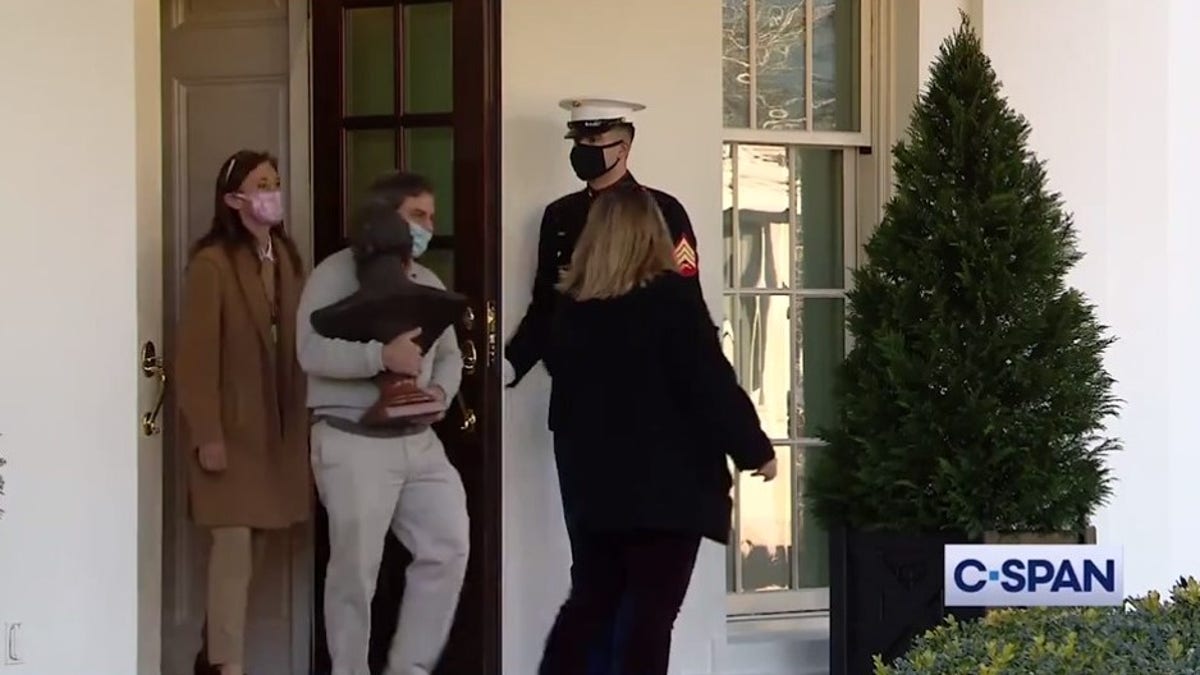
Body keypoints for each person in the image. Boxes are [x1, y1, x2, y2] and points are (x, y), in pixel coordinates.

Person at [538, 187, 777, 675]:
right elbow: (710, 383)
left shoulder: (571, 312)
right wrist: (755, 450)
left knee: (590, 605)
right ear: (651, 235)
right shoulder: (673, 302)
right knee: (648, 618)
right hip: (666, 493)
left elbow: (565, 404)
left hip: (593, 492)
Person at [505, 97, 705, 673]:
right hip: (580, 422)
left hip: (650, 429)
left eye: (599, 143)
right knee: (592, 578)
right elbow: (546, 309)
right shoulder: (560, 216)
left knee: (645, 587)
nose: (586, 153)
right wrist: (508, 370)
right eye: (580, 143)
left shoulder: (663, 212)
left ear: (626, 145)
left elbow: (684, 315)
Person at [297, 171, 468, 675]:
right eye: (418, 215)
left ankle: (409, 669)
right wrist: (380, 357)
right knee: (355, 574)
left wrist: (440, 393)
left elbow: (451, 354)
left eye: (432, 218)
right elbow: (310, 350)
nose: (427, 228)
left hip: (420, 440)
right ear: (387, 217)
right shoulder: (332, 273)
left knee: (449, 545)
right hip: (352, 442)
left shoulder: (429, 282)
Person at [175, 150, 312, 675]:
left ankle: (210, 660)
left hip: (274, 433)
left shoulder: (286, 256)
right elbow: (195, 357)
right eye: (261, 183)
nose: (272, 191)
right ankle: (228, 666)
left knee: (252, 553)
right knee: (230, 554)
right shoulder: (211, 264)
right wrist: (207, 433)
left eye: (275, 182)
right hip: (231, 433)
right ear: (235, 199)